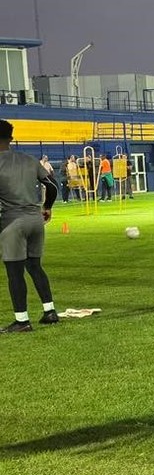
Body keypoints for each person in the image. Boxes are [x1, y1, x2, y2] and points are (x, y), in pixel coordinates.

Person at [0, 120, 60, 333]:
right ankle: (50, 311)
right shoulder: (29, 159)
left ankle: (22, 321)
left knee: (14, 273)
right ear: (11, 138)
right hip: (35, 220)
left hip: (12, 222)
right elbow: (52, 185)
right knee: (35, 266)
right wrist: (47, 207)